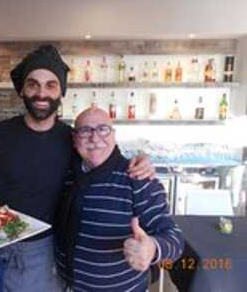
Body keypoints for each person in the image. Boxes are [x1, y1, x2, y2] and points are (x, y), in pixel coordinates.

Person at [0, 45, 156, 292]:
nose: (41, 93)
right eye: (33, 84)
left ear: (61, 93)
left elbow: (105, 157)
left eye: (51, 85)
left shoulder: (72, 139)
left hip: (43, 252)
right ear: (22, 90)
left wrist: (142, 160)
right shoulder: (1, 132)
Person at [55, 107, 184, 292]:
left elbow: (174, 238)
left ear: (114, 135)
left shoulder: (137, 178)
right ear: (75, 139)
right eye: (85, 130)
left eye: (103, 129)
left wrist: (152, 249)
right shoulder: (67, 175)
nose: (94, 137)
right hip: (66, 286)